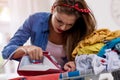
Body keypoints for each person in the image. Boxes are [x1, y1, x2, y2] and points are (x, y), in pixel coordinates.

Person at [2, 0, 96, 72]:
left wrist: (77, 64)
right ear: (52, 9)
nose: (63, 28)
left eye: (69, 24)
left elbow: (94, 59)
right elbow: (6, 52)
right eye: (59, 21)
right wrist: (26, 49)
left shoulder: (80, 29)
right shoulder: (35, 20)